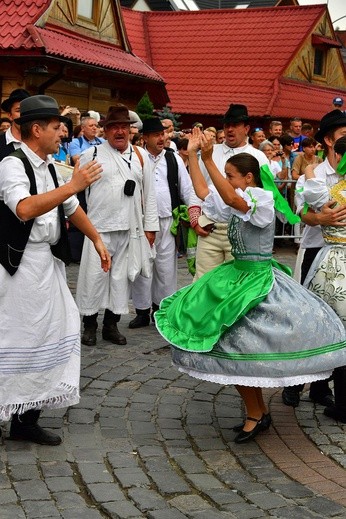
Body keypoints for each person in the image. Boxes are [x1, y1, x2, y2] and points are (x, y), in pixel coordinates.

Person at [155, 130, 346, 444]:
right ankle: (256, 412)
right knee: (233, 349)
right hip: (236, 276)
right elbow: (205, 191)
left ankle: (257, 413)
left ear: (248, 177)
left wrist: (207, 159)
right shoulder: (240, 196)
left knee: (243, 349)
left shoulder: (261, 199)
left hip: (257, 281)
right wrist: (194, 156)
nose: (227, 180)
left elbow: (231, 198)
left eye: (231, 175)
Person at [0, 95, 110, 445]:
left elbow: (70, 206)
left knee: (52, 333)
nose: (62, 133)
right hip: (16, 267)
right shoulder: (11, 164)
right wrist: (73, 184)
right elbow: (23, 208)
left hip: (46, 264)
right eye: (55, 127)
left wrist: (96, 238)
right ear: (36, 129)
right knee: (13, 338)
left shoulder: (48, 166)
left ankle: (26, 419)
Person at [76, 105, 159, 346]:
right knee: (93, 278)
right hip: (97, 230)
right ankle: (89, 325)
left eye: (124, 127)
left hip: (130, 229)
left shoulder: (141, 157)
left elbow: (149, 196)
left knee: (120, 280)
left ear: (131, 130)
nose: (119, 131)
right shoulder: (91, 155)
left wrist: (150, 227)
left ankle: (110, 326)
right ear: (106, 131)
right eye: (114, 127)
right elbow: (76, 191)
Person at [282, 109, 346, 409]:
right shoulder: (316, 174)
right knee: (309, 322)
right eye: (343, 136)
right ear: (328, 141)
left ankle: (322, 388)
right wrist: (319, 217)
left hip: (344, 258)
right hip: (314, 254)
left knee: (340, 324)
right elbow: (299, 212)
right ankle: (294, 384)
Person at [188, 103, 268, 280]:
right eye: (226, 125)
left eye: (235, 125)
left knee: (235, 284)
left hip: (241, 230)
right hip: (211, 227)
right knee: (203, 283)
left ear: (246, 128)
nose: (230, 129)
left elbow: (262, 197)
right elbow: (197, 187)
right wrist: (195, 217)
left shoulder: (259, 157)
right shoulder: (211, 151)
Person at [129, 117, 191, 328]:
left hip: (167, 221)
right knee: (143, 267)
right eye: (156, 135)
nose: (161, 138)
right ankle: (141, 310)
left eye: (163, 134)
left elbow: (187, 189)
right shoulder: (136, 158)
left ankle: (162, 308)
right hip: (142, 221)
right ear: (145, 137)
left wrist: (192, 212)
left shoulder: (173, 160)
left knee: (166, 267)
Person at [0, 88, 30, 161]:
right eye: (19, 110)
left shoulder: (40, 142)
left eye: (27, 110)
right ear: (10, 115)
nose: (24, 114)